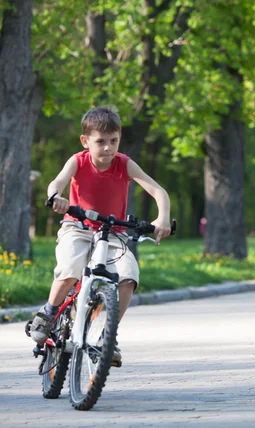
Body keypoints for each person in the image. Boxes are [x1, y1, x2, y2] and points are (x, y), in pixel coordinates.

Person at [29, 106, 172, 365]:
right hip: (78, 227)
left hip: (113, 232)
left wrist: (162, 218)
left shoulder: (124, 164)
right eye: (101, 142)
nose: (108, 148)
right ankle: (49, 312)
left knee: (127, 276)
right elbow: (57, 182)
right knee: (71, 267)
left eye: (113, 141)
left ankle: (107, 335)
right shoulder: (78, 161)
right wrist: (56, 197)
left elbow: (158, 191)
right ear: (85, 141)